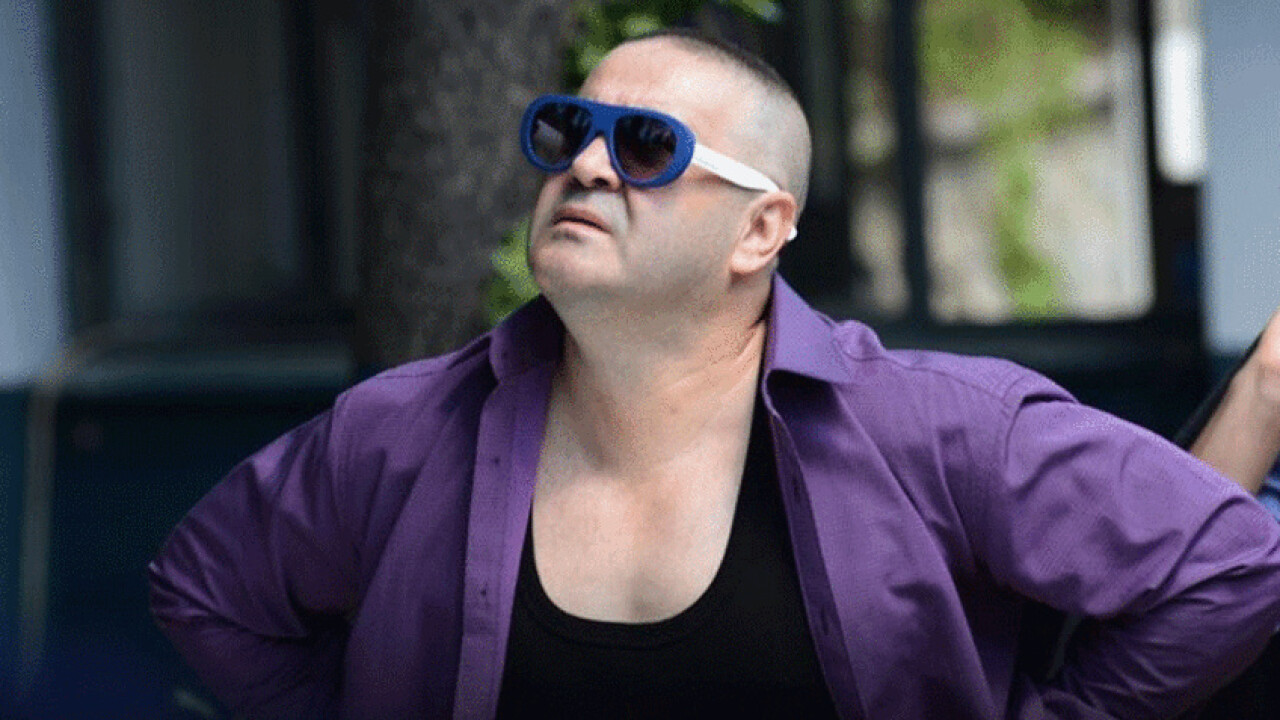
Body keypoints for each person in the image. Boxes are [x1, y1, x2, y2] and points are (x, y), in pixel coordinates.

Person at [149, 30, 1280, 719]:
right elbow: (206, 587)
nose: (589, 165)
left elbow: (1228, 565)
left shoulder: (938, 429)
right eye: (569, 131)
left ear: (760, 230)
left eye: (647, 146)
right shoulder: (397, 432)